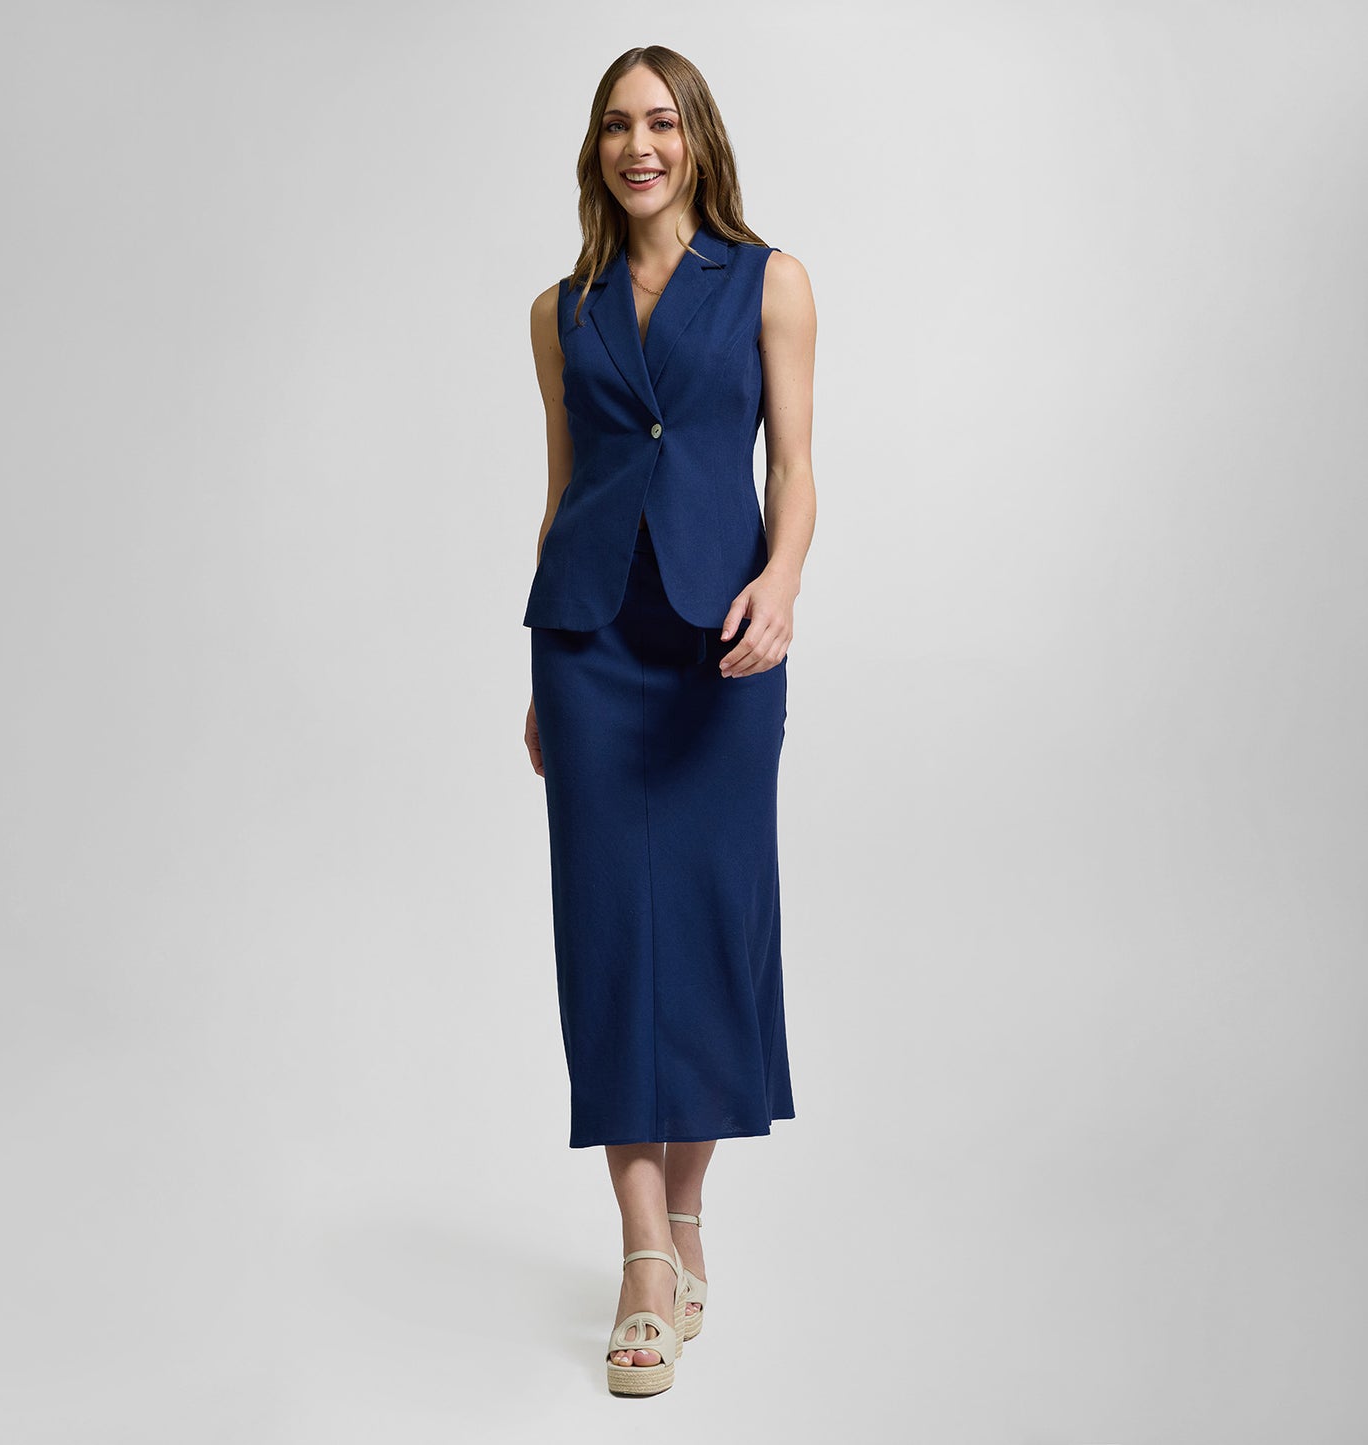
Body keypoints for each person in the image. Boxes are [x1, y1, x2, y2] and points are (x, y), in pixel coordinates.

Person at [521, 45, 817, 1397]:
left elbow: (794, 467)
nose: (636, 146)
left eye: (658, 122)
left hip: (721, 645)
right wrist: (542, 669)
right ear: (595, 151)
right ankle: (644, 1255)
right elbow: (563, 490)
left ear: (696, 137)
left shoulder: (769, 283)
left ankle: (685, 1216)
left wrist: (781, 580)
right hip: (589, 648)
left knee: (703, 926)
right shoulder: (557, 312)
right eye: (613, 126)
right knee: (606, 938)